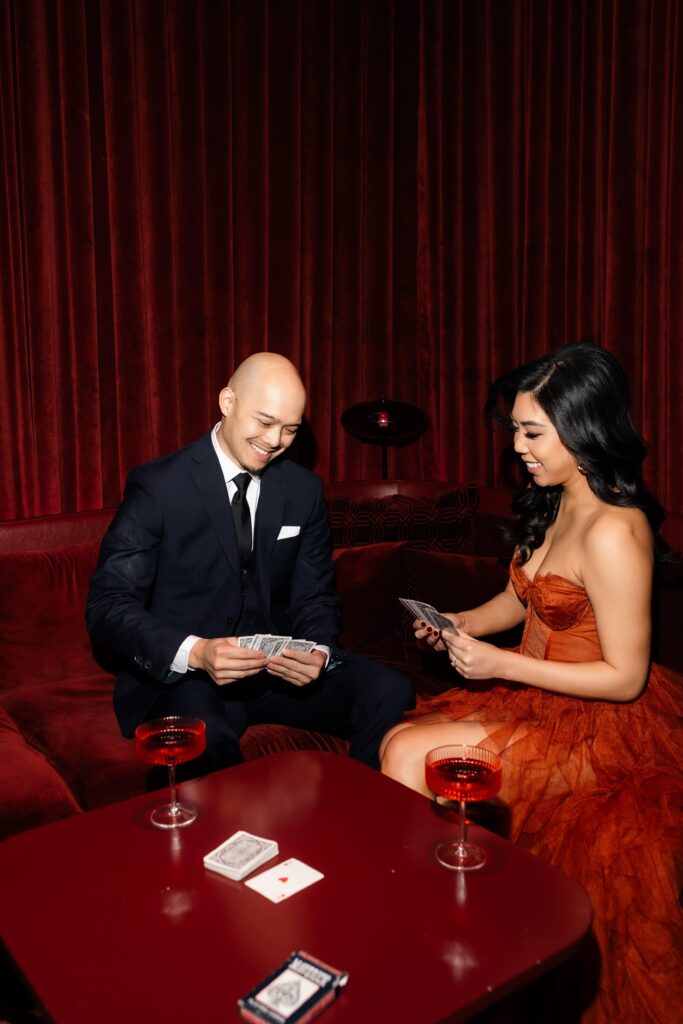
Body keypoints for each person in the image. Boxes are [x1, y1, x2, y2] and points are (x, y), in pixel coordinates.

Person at [380, 342, 682, 1023]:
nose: (516, 445)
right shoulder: (552, 501)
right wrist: (458, 623)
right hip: (538, 699)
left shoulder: (614, 528)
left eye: (529, 431)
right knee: (400, 733)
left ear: (582, 429)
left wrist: (500, 665)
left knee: (409, 755)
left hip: (602, 723)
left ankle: (411, 941)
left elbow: (625, 678)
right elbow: (519, 600)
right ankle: (439, 926)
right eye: (515, 429)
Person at [87, 352, 414, 772]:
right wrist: (198, 652)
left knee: (389, 690)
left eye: (290, 429)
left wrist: (316, 651)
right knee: (205, 736)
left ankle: (347, 814)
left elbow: (314, 594)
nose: (275, 441)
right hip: (190, 678)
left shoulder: (302, 490)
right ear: (227, 402)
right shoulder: (159, 486)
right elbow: (109, 605)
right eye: (264, 421)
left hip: (273, 673)